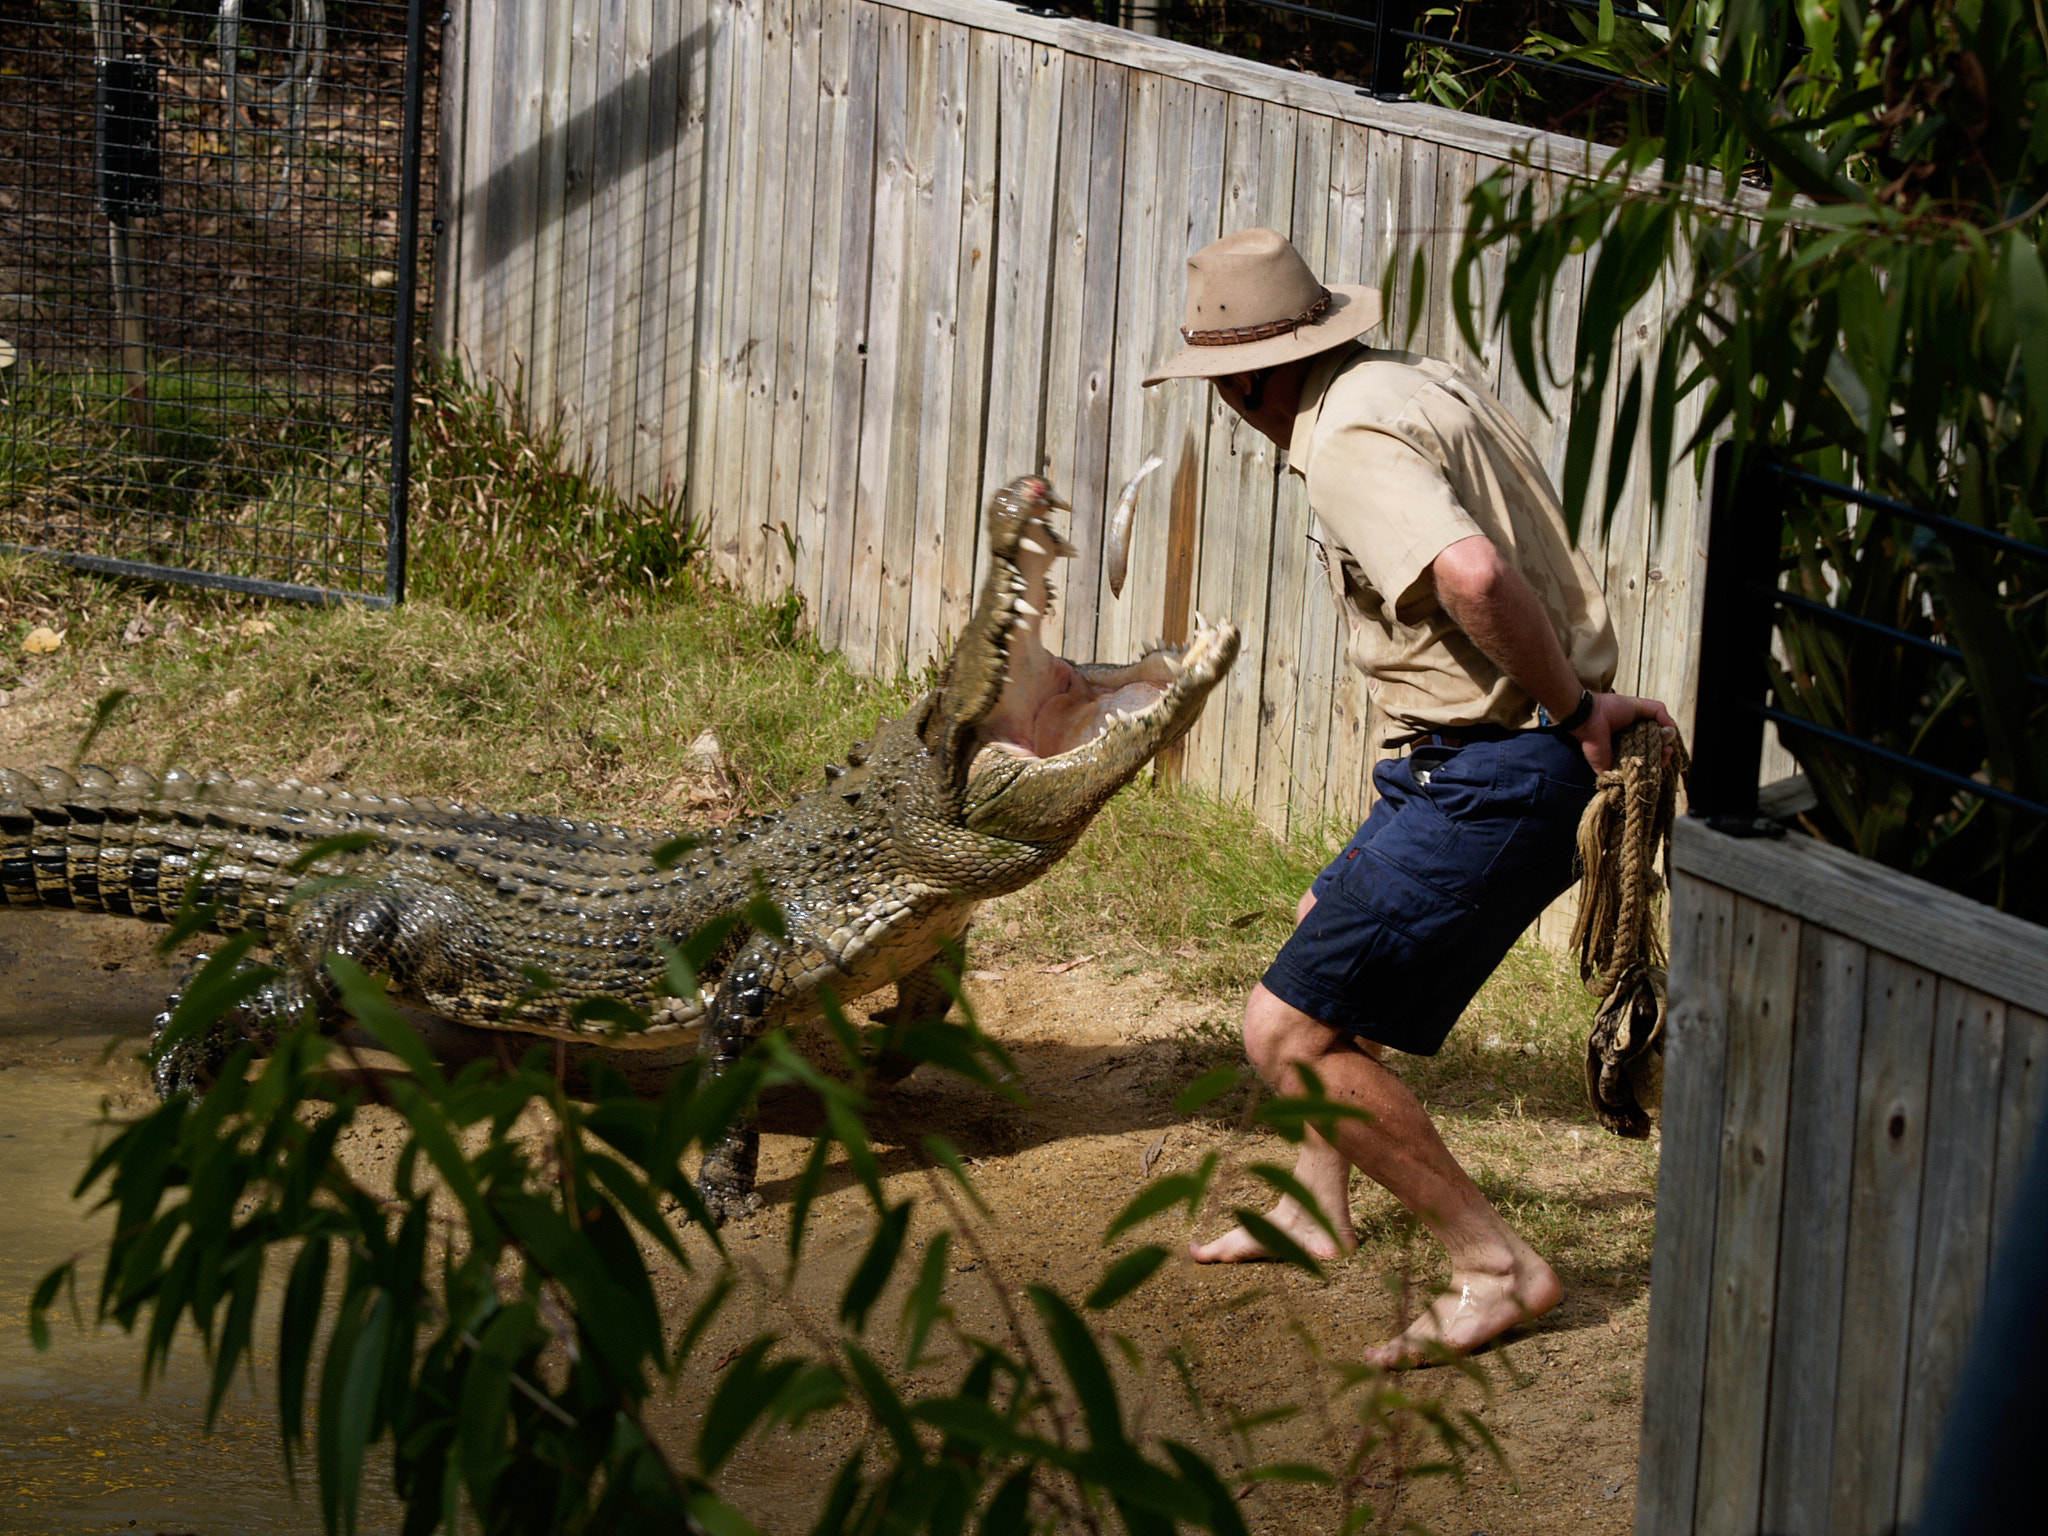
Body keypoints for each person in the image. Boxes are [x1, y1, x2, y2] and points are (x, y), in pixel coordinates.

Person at [1142, 228, 1676, 1367]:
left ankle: (1496, 1267)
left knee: (1284, 1030)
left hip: (1501, 765)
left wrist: (1575, 713)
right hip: (1472, 752)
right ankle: (1310, 1203)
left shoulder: (1341, 439)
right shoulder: (1412, 381)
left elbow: (1474, 575)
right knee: (1312, 938)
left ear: (1241, 380)